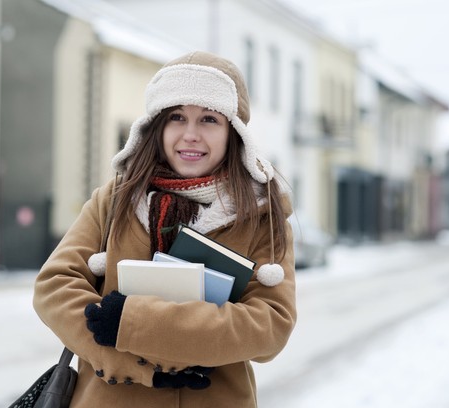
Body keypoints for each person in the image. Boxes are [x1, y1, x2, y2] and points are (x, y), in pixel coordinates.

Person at [33, 51, 296, 408]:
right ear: (156, 126)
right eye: (176, 117)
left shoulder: (261, 214)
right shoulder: (115, 199)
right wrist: (129, 363)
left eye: (208, 119)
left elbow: (270, 326)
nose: (191, 135)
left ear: (233, 131)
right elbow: (54, 289)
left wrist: (132, 322)